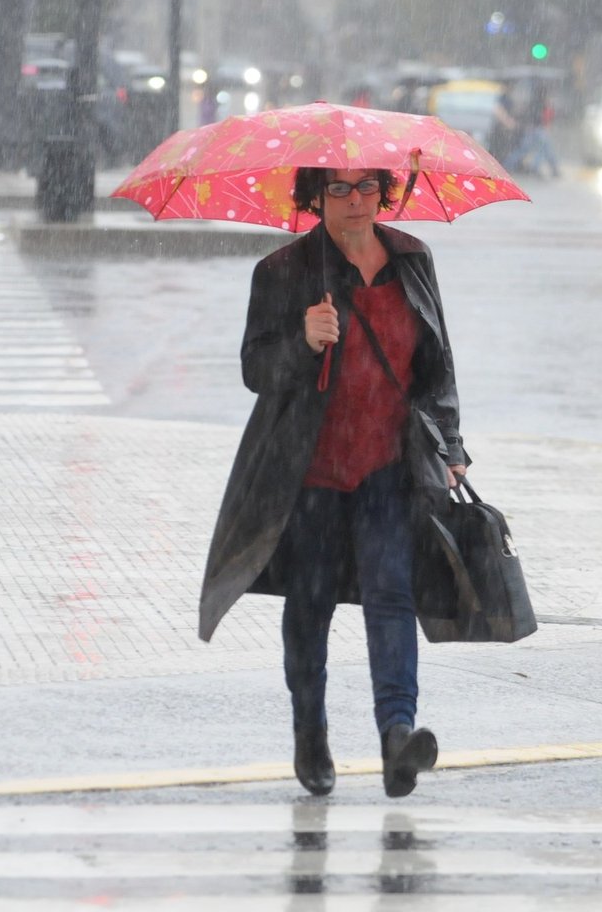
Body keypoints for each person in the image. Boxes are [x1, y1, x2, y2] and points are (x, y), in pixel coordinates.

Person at [198, 166, 468, 799]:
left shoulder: (412, 260)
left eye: (367, 186)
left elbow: (438, 365)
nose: (355, 201)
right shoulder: (284, 271)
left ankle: (397, 737)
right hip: (309, 469)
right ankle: (309, 725)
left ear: (386, 191)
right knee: (310, 601)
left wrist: (451, 446)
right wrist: (303, 340)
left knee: (392, 594)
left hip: (388, 465)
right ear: (315, 196)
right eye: (339, 189)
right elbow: (255, 370)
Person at [503, 80, 561, 179]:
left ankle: (507, 166)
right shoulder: (542, 103)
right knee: (543, 149)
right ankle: (543, 168)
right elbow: (544, 117)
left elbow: (528, 115)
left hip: (530, 129)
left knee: (523, 150)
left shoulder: (532, 102)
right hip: (538, 130)